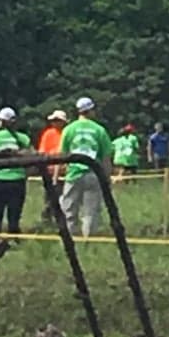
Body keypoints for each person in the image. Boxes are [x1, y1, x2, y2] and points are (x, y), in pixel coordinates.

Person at [59, 97, 112, 237]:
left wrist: (60, 173)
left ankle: (70, 238)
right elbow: (106, 157)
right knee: (91, 211)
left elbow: (62, 155)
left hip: (73, 174)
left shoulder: (68, 130)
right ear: (90, 110)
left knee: (69, 208)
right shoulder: (99, 130)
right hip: (93, 174)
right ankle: (88, 240)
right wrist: (107, 176)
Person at [0, 105, 31, 234]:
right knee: (14, 215)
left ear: (1, 121)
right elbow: (31, 159)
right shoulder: (23, 139)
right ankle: (14, 238)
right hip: (17, 179)